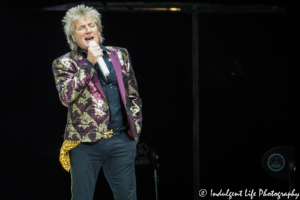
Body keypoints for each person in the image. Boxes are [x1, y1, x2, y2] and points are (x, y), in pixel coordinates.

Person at [52, 4, 142, 200]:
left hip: (121, 141)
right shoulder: (64, 63)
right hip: (86, 144)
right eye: (81, 27)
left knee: (127, 196)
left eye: (91, 25)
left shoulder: (120, 54)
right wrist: (89, 63)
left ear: (99, 30)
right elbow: (66, 97)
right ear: (73, 37)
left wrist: (134, 132)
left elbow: (132, 94)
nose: (88, 30)